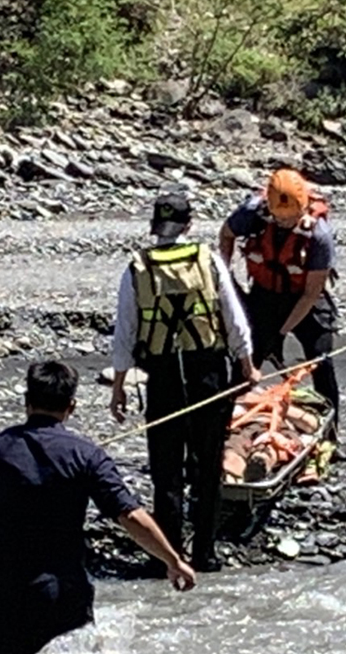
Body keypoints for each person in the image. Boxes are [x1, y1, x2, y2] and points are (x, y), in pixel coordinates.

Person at [0, 360, 196, 654]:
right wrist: (173, 560)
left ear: (26, 401)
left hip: (2, 594)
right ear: (71, 407)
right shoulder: (86, 455)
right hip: (61, 593)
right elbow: (130, 514)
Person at [109, 190, 258, 574]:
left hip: (162, 377)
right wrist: (247, 365)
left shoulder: (137, 267)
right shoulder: (207, 260)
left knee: (166, 470)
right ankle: (206, 553)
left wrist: (119, 386)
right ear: (189, 224)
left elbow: (125, 330)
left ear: (155, 226)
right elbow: (233, 316)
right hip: (207, 372)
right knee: (208, 466)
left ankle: (169, 554)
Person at [219, 168, 340, 429]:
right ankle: (224, 427)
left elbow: (311, 293)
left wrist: (282, 332)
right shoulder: (252, 214)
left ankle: (331, 433)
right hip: (264, 295)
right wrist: (225, 276)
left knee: (321, 361)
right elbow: (226, 234)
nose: (285, 223)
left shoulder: (319, 235)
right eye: (279, 218)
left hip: (304, 299)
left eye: (291, 218)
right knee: (245, 360)